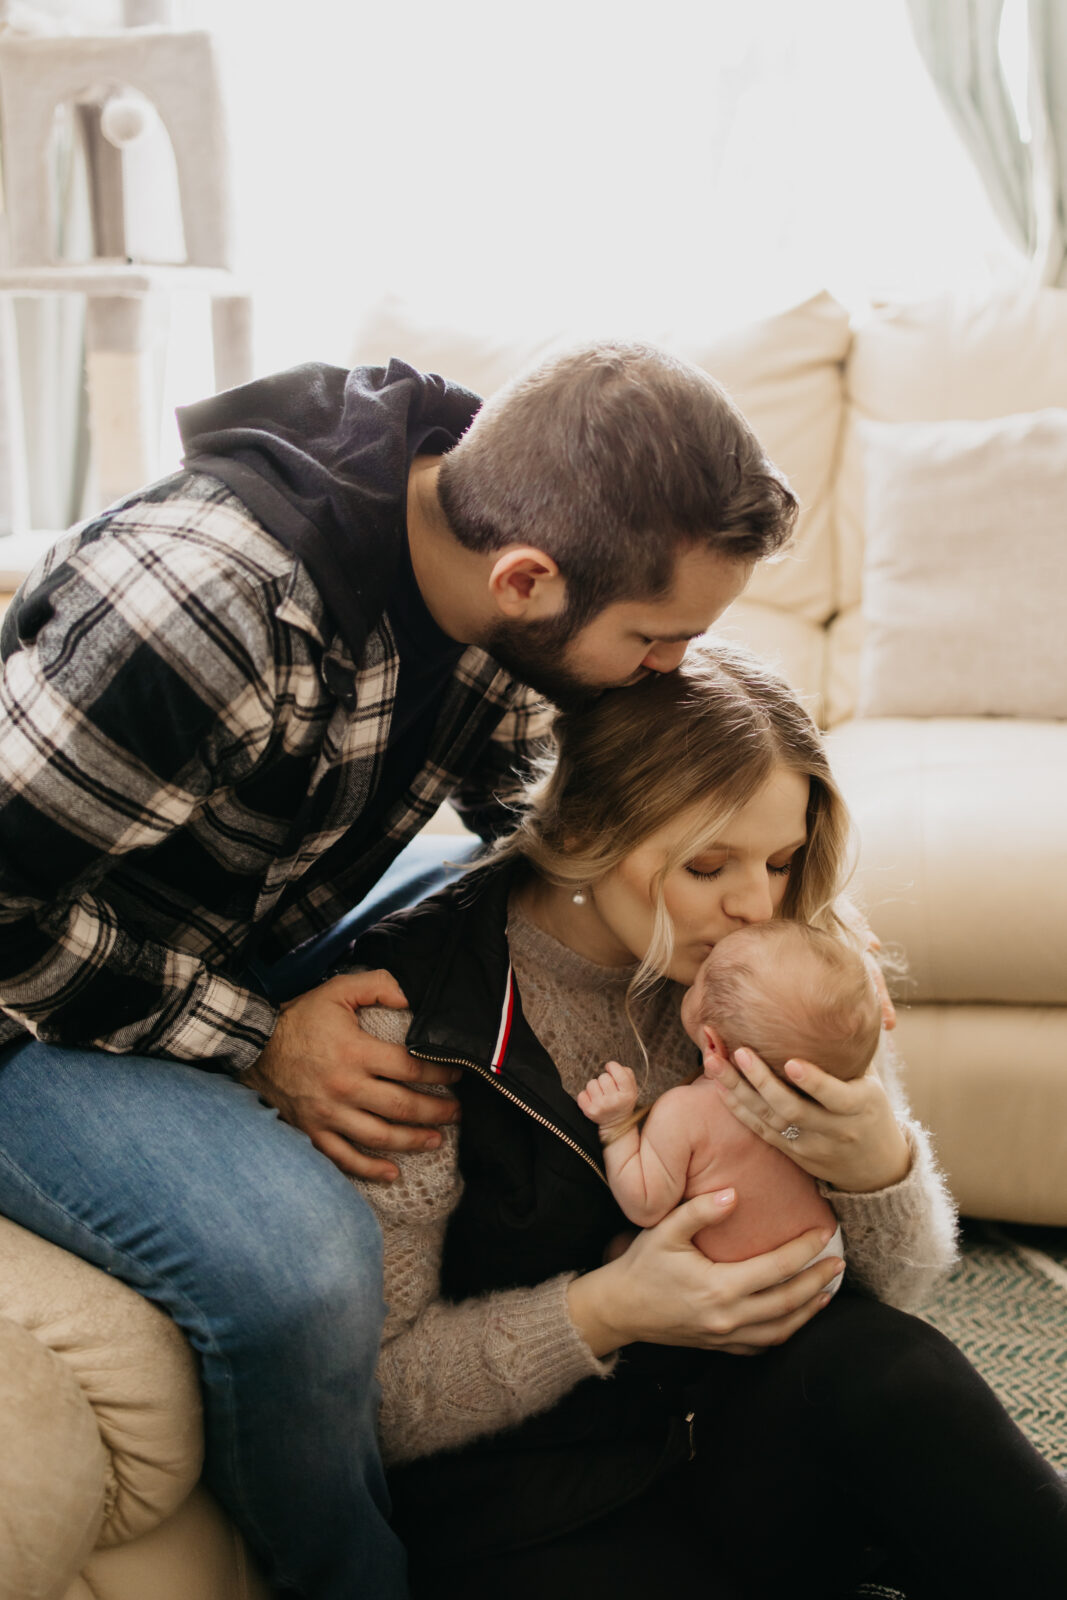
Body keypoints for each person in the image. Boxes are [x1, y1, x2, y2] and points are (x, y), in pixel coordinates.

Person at [0, 345, 797, 1597]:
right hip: (30, 994)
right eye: (656, 635)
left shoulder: (493, 525)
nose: (671, 665)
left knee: (550, 900)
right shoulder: (205, 609)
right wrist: (258, 1034)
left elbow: (524, 805)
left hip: (237, 912)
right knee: (301, 1267)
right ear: (525, 581)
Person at [344, 643, 1067, 1599]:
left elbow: (892, 1284)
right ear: (586, 831)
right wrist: (606, 1312)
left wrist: (872, 1162)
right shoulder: (419, 1026)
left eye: (780, 858)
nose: (754, 904)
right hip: (534, 1498)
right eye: (706, 865)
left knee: (897, 1375)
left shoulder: (786, 963)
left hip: (742, 1430)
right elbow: (379, 1406)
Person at [578, 919, 882, 1273]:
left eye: (699, 980)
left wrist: (615, 1125)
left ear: (711, 1043)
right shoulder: (808, 1117)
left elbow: (645, 1204)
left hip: (728, 1281)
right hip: (820, 1265)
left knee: (619, 1250)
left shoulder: (684, 1111)